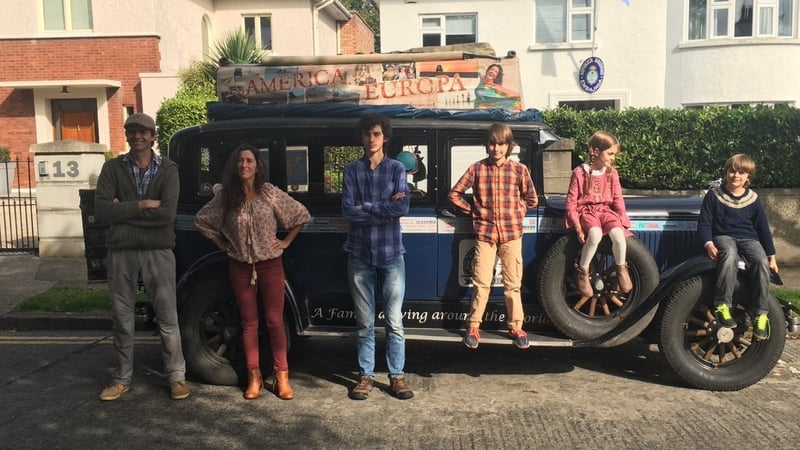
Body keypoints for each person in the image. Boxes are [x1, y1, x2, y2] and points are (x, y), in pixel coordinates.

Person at [194, 144, 311, 400]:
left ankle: (282, 377)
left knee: (275, 322)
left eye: (249, 160)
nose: (244, 165)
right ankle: (254, 376)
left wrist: (286, 241)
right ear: (235, 167)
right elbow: (202, 220)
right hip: (240, 266)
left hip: (270, 265)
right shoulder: (227, 196)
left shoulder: (269, 193)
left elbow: (300, 214)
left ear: (257, 165)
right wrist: (222, 244)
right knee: (248, 323)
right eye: (240, 161)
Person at [95, 113, 190, 401]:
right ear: (127, 135)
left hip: (158, 250)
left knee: (167, 316)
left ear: (152, 136)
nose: (137, 136)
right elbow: (101, 211)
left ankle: (176, 377)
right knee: (122, 318)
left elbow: (166, 216)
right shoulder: (112, 168)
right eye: (132, 131)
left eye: (143, 132)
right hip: (121, 253)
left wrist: (123, 213)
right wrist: (143, 204)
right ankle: (121, 378)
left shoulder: (169, 169)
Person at [342, 114, 413, 401]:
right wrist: (383, 208)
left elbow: (403, 208)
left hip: (391, 255)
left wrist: (367, 207)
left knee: (394, 322)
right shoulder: (351, 170)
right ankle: (365, 377)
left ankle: (397, 377)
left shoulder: (397, 169)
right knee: (364, 323)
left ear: (385, 137)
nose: (371, 139)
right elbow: (348, 212)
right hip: (359, 254)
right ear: (361, 138)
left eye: (376, 134)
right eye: (366, 134)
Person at [448, 123, 538, 350]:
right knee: (481, 282)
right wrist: (472, 211)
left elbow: (531, 199)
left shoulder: (519, 170)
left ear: (508, 145)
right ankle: (474, 326)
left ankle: (516, 327)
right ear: (486, 145)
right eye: (492, 143)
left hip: (511, 234)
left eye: (501, 144)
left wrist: (517, 211)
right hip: (485, 234)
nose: (496, 148)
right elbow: (455, 194)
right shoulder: (476, 169)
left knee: (512, 284)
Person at [698, 153, 778, 340]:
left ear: (748, 177)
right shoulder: (714, 196)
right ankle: (723, 305)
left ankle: (761, 314)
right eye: (732, 171)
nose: (736, 176)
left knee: (759, 261)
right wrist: (708, 243)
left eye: (741, 173)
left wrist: (771, 256)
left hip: (749, 238)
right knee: (730, 255)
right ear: (726, 173)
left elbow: (763, 228)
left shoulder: (753, 199)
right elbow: (704, 223)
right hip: (723, 236)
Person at [564, 131, 633, 299]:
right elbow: (571, 203)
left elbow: (617, 199)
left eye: (614, 154)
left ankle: (621, 269)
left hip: (605, 211)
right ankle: (583, 271)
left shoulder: (611, 173)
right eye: (610, 154)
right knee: (594, 234)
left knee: (618, 235)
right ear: (594, 151)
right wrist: (578, 227)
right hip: (586, 212)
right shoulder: (579, 173)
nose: (613, 158)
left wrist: (622, 221)